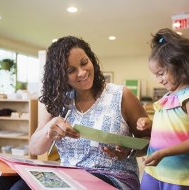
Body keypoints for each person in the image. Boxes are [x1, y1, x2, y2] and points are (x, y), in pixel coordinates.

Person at [27, 36, 152, 190]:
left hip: (115, 178)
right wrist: (48, 130)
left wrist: (129, 151)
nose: (82, 72)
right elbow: (35, 148)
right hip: (69, 178)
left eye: (84, 62)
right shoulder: (58, 101)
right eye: (71, 70)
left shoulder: (121, 95)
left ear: (91, 59)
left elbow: (150, 140)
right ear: (60, 76)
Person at [137, 28, 189, 190]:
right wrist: (148, 123)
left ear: (179, 65)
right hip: (153, 170)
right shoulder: (167, 96)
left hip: (178, 177)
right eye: (156, 75)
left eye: (161, 73)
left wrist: (163, 153)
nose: (159, 80)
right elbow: (171, 124)